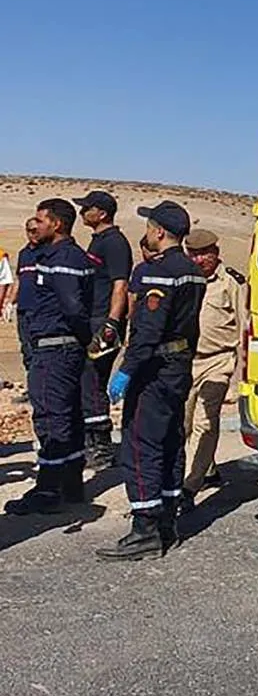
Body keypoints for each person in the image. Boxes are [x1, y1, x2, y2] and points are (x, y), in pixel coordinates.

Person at [97, 202, 206, 561]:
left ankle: (145, 528)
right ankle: (167, 522)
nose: (146, 232)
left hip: (154, 370)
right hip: (179, 365)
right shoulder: (193, 271)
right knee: (171, 440)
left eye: (149, 227)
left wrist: (127, 369)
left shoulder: (155, 273)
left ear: (159, 232)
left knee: (141, 446)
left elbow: (148, 330)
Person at [4, 200, 93, 515]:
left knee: (51, 418)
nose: (35, 224)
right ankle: (70, 484)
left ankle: (48, 489)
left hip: (55, 348)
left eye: (40, 220)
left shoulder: (63, 258)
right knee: (67, 415)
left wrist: (81, 337)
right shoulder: (54, 255)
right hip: (55, 346)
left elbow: (72, 306)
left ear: (57, 224)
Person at [181, 229, 247, 509]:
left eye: (204, 254)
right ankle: (206, 469)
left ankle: (188, 486)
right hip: (186, 362)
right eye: (193, 254)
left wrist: (240, 376)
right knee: (182, 425)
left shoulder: (231, 282)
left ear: (216, 253)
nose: (199, 260)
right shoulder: (185, 280)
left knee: (205, 423)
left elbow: (244, 328)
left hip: (218, 362)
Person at [76, 190, 133, 469]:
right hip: (93, 319)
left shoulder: (114, 243)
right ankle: (89, 442)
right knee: (85, 379)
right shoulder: (98, 240)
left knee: (93, 379)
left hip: (104, 322)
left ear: (101, 213)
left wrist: (111, 323)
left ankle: (101, 447)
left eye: (87, 207)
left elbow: (120, 285)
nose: (82, 212)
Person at [13, 218, 41, 372]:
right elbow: (19, 279)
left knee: (40, 348)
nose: (34, 234)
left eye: (37, 230)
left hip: (40, 309)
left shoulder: (47, 253)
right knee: (26, 347)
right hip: (24, 309)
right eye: (30, 231)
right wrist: (10, 302)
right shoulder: (23, 254)